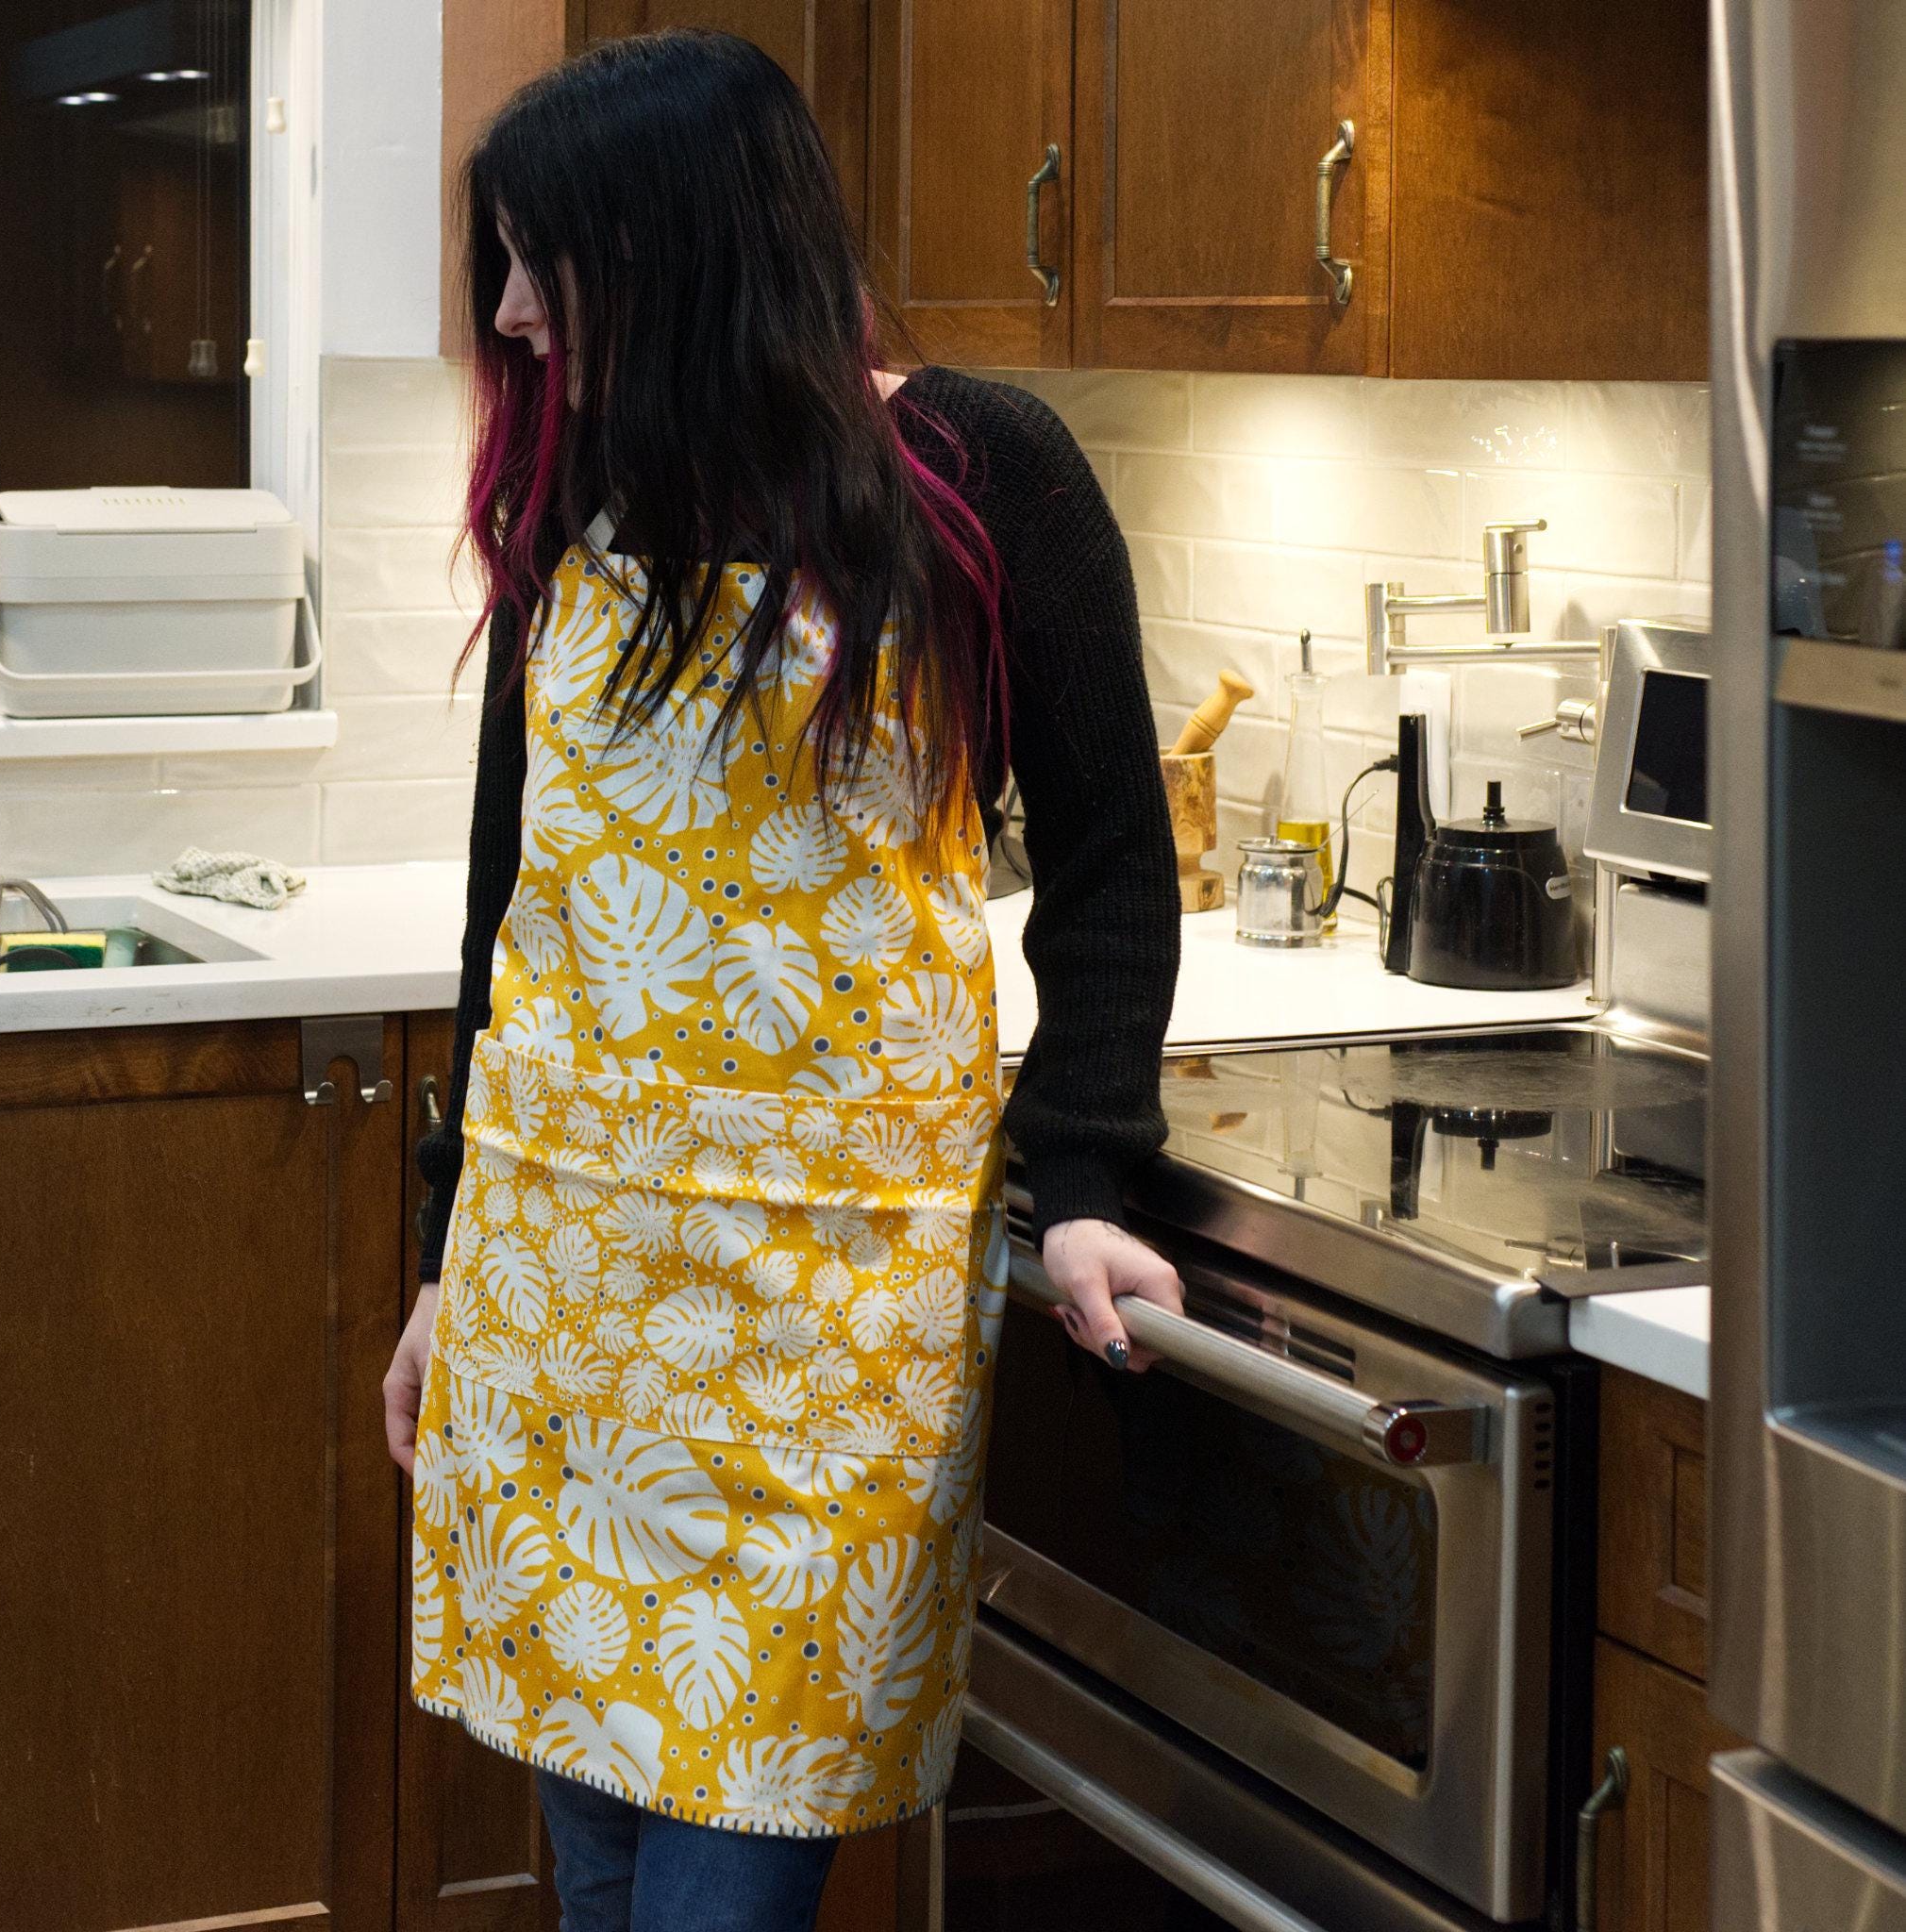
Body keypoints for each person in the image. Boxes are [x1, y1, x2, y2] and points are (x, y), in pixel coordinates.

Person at [381, 28, 1182, 1931]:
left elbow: (1108, 869)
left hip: (824, 1318)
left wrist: (1082, 1183)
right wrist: (443, 1255)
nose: (508, 314)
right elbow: (524, 912)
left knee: (722, 1884)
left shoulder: (977, 470)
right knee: (595, 1882)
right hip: (565, 1286)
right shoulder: (572, 499)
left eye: (535, 264)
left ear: (674, 256)